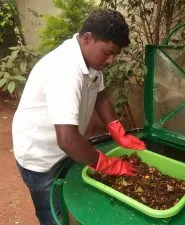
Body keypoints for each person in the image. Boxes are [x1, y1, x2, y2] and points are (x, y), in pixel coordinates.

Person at [12, 9, 146, 225]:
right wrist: (108, 164)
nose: (111, 60)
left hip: (65, 149)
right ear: (87, 39)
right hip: (41, 157)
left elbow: (100, 97)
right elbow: (67, 139)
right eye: (108, 52)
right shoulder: (64, 69)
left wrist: (117, 131)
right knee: (52, 215)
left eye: (115, 54)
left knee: (69, 199)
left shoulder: (92, 61)